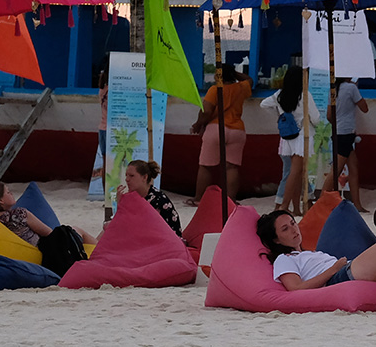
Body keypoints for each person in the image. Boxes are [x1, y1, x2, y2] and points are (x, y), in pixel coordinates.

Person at [0, 180, 94, 275]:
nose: (12, 194)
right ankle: (101, 250)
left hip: (12, 258)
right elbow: (49, 232)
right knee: (75, 230)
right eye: (8, 192)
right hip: (44, 256)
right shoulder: (20, 214)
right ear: (1, 200)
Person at [191, 61, 253, 202]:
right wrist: (233, 72)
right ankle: (230, 200)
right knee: (231, 167)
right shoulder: (241, 87)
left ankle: (198, 199)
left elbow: (206, 111)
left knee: (206, 166)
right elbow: (250, 80)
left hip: (216, 129)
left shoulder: (215, 89)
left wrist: (198, 124)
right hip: (237, 130)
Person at [261, 64, 313, 213]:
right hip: (300, 138)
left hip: (286, 138)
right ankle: (282, 205)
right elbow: (314, 117)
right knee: (294, 173)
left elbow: (263, 104)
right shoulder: (304, 95)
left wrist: (280, 116)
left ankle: (296, 207)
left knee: (292, 173)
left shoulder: (279, 95)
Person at [121, 159, 182, 237]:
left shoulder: (157, 200)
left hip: (165, 241)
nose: (127, 179)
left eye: (132, 176)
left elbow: (136, 226)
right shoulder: (136, 195)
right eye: (126, 175)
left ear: (144, 177)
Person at [333, 77, 368, 209]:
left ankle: (357, 204)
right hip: (347, 133)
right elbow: (364, 108)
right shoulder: (351, 88)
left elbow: (329, 115)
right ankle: (321, 202)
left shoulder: (334, 88)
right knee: (336, 170)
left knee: (353, 167)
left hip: (338, 131)